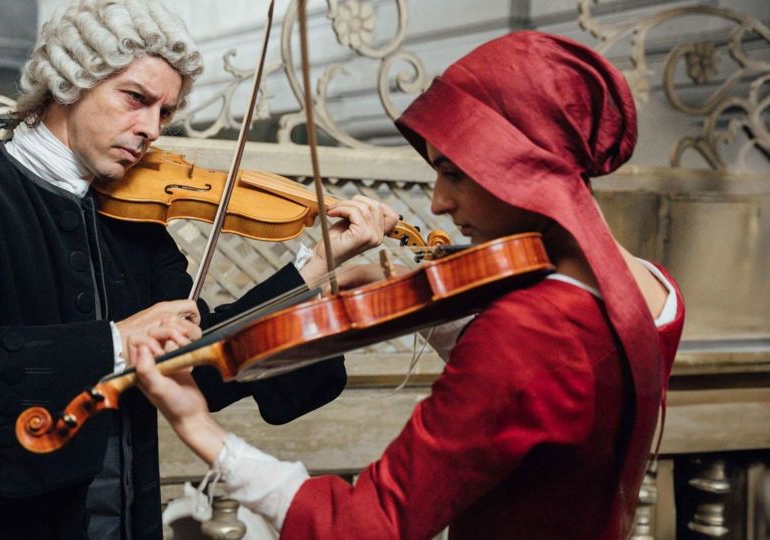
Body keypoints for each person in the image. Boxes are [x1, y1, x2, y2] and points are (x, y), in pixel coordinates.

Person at [0, 0, 397, 538]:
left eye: (164, 113)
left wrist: (315, 272)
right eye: (135, 98)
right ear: (71, 82)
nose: (150, 129)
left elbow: (201, 361)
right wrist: (115, 342)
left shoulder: (134, 220)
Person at [130, 31, 687, 539]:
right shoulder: (654, 288)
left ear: (522, 168)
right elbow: (536, 398)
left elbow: (362, 525)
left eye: (454, 173)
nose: (439, 202)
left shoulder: (528, 330)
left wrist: (199, 428)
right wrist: (413, 298)